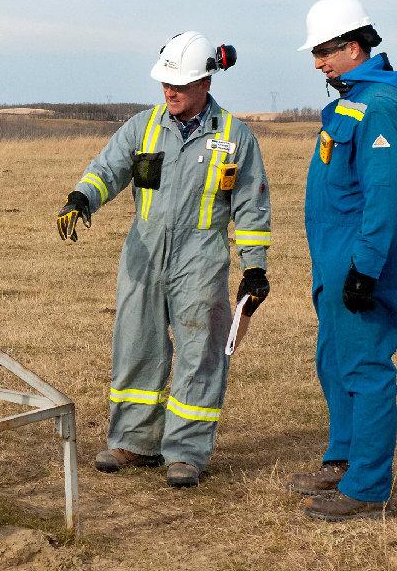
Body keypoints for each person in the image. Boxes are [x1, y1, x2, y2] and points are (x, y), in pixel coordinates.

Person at [56, 32, 272, 487]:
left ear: (205, 82)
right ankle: (134, 442)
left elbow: (252, 206)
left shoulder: (235, 137)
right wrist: (82, 198)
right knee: (136, 345)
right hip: (143, 255)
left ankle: (187, 453)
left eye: (180, 84)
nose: (169, 92)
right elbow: (107, 169)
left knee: (200, 353)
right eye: (164, 84)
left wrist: (254, 267)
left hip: (201, 258)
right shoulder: (143, 127)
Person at [291, 0, 397, 520]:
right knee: (334, 362)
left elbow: (384, 198)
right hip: (335, 261)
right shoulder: (349, 100)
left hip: (362, 263)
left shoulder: (379, 106)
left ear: (353, 46)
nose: (317, 63)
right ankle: (343, 458)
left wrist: (364, 269)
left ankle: (366, 490)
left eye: (324, 52)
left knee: (365, 368)